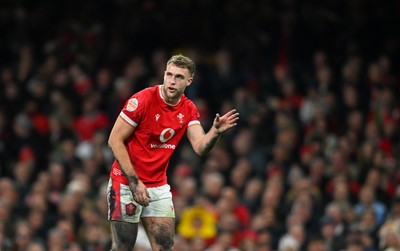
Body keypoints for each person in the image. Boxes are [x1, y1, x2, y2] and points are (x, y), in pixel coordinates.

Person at [107, 54, 240, 250]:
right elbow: (114, 140)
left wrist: (215, 132)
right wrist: (135, 183)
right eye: (169, 75)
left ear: (189, 80)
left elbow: (200, 147)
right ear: (164, 74)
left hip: (157, 186)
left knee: (165, 246)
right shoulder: (142, 100)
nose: (172, 81)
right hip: (126, 182)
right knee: (123, 246)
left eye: (179, 77)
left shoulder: (188, 109)